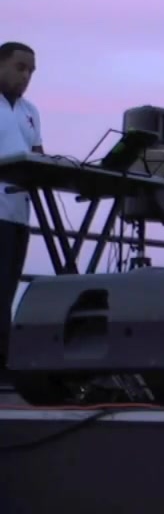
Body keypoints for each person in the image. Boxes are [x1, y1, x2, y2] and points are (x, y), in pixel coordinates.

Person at [0, 42, 40, 376]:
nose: (25, 76)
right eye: (20, 67)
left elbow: (38, 156)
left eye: (31, 71)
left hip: (19, 213)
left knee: (8, 288)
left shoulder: (31, 111)